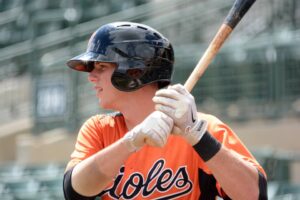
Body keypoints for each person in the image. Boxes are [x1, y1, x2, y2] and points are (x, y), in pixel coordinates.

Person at [63, 21, 267, 200]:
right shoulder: (99, 130)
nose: (91, 77)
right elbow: (74, 191)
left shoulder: (203, 127)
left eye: (100, 67)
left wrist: (198, 136)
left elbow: (255, 195)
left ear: (133, 71)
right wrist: (131, 141)